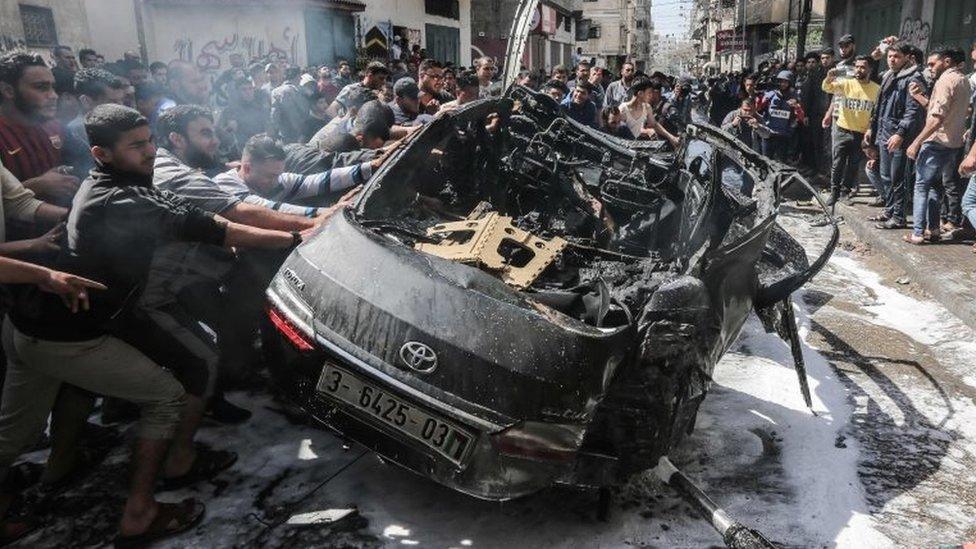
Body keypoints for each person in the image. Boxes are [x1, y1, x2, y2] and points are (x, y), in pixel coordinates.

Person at [215, 134, 376, 216]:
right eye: (270, 176)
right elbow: (269, 210)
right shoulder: (226, 185)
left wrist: (371, 166)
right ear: (248, 168)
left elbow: (318, 181)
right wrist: (327, 212)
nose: (276, 181)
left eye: (278, 174)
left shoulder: (277, 179)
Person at [905, 48, 972, 244]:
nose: (930, 68)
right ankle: (933, 230)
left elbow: (937, 117)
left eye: (933, 64)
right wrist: (920, 98)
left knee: (921, 186)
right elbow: (959, 112)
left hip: (936, 141)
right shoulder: (964, 81)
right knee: (935, 187)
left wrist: (916, 142)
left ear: (947, 61)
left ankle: (918, 232)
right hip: (953, 143)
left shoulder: (945, 81)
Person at [0, 51, 80, 206]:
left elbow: (85, 164)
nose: (53, 96)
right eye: (41, 87)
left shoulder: (56, 128)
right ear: (8, 91)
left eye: (52, 87)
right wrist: (39, 184)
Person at [867, 42, 925, 229]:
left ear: (907, 57)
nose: (892, 60)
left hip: (900, 137)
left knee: (898, 178)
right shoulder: (889, 76)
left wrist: (900, 134)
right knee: (885, 176)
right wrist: (871, 128)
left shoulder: (913, 78)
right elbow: (879, 105)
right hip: (884, 133)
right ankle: (890, 211)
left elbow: (912, 111)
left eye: (897, 56)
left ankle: (899, 217)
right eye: (890, 56)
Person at [822, 56, 880, 205]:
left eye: (863, 67)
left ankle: (845, 191)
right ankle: (834, 193)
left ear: (870, 69)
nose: (859, 70)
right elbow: (827, 88)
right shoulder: (845, 83)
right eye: (857, 66)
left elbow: (876, 112)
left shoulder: (876, 89)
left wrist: (870, 130)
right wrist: (829, 78)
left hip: (861, 133)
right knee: (838, 163)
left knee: (853, 164)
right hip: (842, 130)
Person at [618, 77, 679, 147]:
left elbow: (654, 124)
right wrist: (646, 131)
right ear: (640, 93)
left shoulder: (647, 107)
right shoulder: (623, 109)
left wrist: (671, 138)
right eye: (649, 92)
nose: (651, 95)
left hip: (638, 147)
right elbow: (619, 131)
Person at [758, 70, 803, 162]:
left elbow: (801, 117)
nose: (783, 84)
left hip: (784, 135)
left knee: (782, 162)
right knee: (765, 161)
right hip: (768, 133)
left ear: (790, 83)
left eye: (785, 82)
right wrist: (760, 99)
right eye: (781, 81)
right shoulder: (770, 95)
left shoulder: (795, 97)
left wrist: (797, 107)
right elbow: (758, 109)